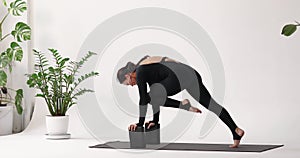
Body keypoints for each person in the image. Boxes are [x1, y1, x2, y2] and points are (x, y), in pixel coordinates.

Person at [117, 55, 245, 148]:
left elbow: (144, 99)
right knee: (210, 104)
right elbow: (156, 97)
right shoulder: (146, 67)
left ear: (128, 75)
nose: (132, 85)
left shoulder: (139, 72)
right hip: (190, 74)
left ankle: (183, 105)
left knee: (149, 96)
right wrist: (155, 121)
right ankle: (236, 130)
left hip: (179, 77)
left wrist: (139, 125)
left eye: (128, 83)